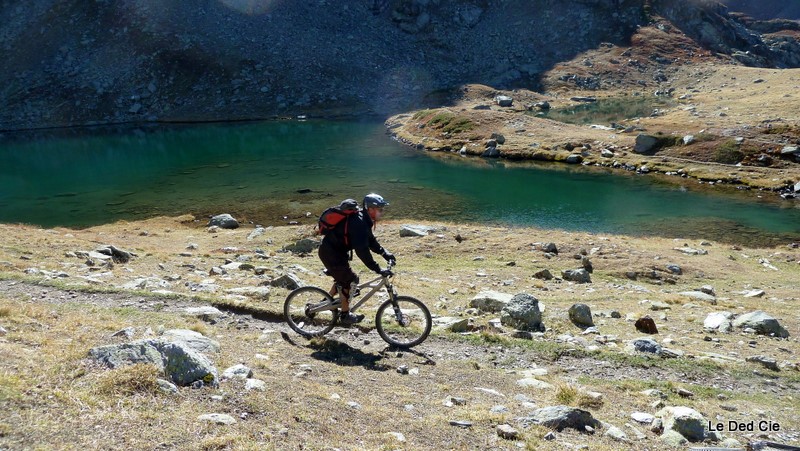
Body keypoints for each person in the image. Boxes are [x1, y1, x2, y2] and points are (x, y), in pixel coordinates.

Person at [318, 193, 395, 324]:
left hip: (337, 252)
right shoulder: (359, 223)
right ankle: (345, 315)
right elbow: (362, 251)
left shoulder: (364, 220)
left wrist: (385, 253)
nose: (382, 212)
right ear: (370, 209)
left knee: (343, 279)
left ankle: (325, 303)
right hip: (330, 253)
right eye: (380, 210)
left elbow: (371, 241)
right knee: (351, 280)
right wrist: (377, 269)